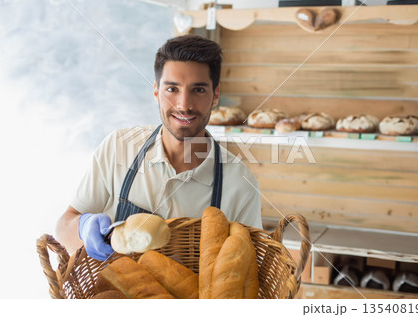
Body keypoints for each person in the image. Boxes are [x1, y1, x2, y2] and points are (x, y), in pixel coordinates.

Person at [55, 35, 262, 261]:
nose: (184, 104)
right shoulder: (118, 147)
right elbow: (64, 226)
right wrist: (83, 227)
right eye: (172, 89)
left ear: (215, 95)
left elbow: (249, 267)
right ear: (156, 92)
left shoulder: (242, 184)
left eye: (199, 90)